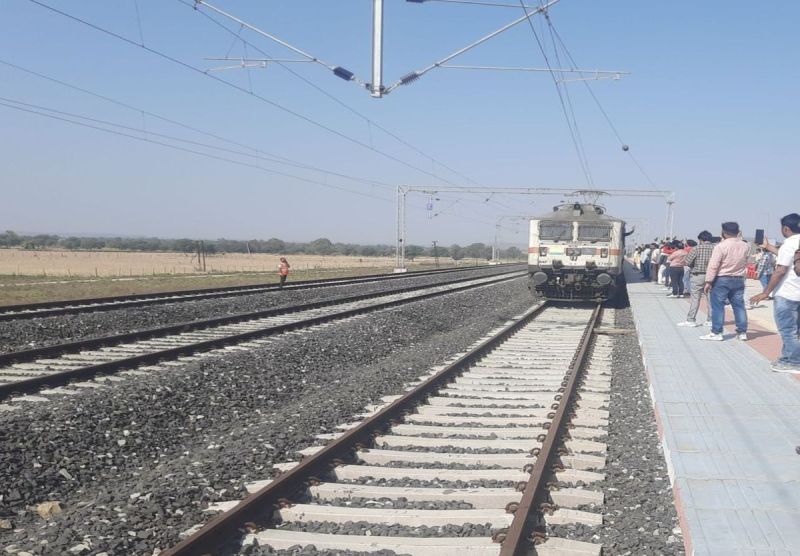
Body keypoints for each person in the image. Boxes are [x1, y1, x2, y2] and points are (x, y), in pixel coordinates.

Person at [750, 213, 800, 372]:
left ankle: (793, 362)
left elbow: (780, 270)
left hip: (788, 294)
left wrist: (766, 292)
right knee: (796, 330)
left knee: (788, 330)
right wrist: (769, 247)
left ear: (786, 228)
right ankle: (788, 358)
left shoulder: (789, 243)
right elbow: (790, 258)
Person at [700, 222, 749, 341]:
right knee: (739, 306)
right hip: (738, 279)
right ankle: (742, 332)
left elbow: (713, 265)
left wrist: (708, 281)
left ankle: (717, 332)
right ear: (738, 232)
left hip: (722, 279)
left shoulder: (721, 246)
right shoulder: (745, 246)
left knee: (718, 306)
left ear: (724, 232)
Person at [678, 231, 715, 327]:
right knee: (710, 299)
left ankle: (691, 320)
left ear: (700, 239)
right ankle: (711, 320)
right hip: (712, 277)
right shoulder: (716, 248)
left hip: (697, 276)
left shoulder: (696, 248)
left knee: (695, 298)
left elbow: (687, 262)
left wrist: (693, 266)